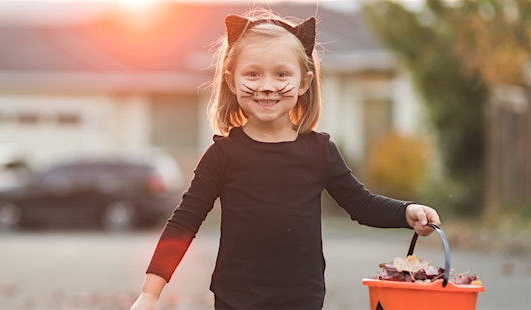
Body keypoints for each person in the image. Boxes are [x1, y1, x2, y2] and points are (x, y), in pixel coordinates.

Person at [131, 9, 441, 310]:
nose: (267, 85)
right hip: (236, 300)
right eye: (253, 74)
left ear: (304, 83)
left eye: (281, 74)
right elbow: (184, 222)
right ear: (231, 79)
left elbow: (360, 204)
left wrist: (406, 211)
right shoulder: (222, 156)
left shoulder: (320, 151)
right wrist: (150, 292)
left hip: (302, 300)